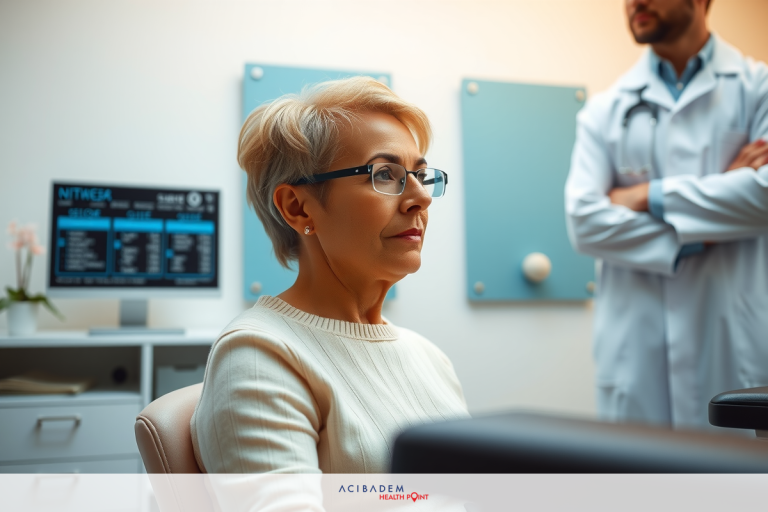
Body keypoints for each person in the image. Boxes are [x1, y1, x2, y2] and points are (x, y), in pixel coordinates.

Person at [191, 76, 469, 473]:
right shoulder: (258, 355)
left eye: (421, 175)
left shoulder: (430, 358)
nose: (422, 198)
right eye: (385, 174)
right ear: (298, 208)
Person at [565, 0, 768, 429]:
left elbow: (763, 196)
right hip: (636, 358)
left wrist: (644, 195)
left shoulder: (759, 88)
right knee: (644, 492)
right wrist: (709, 222)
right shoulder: (604, 110)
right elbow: (584, 222)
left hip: (735, 346)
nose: (633, 3)